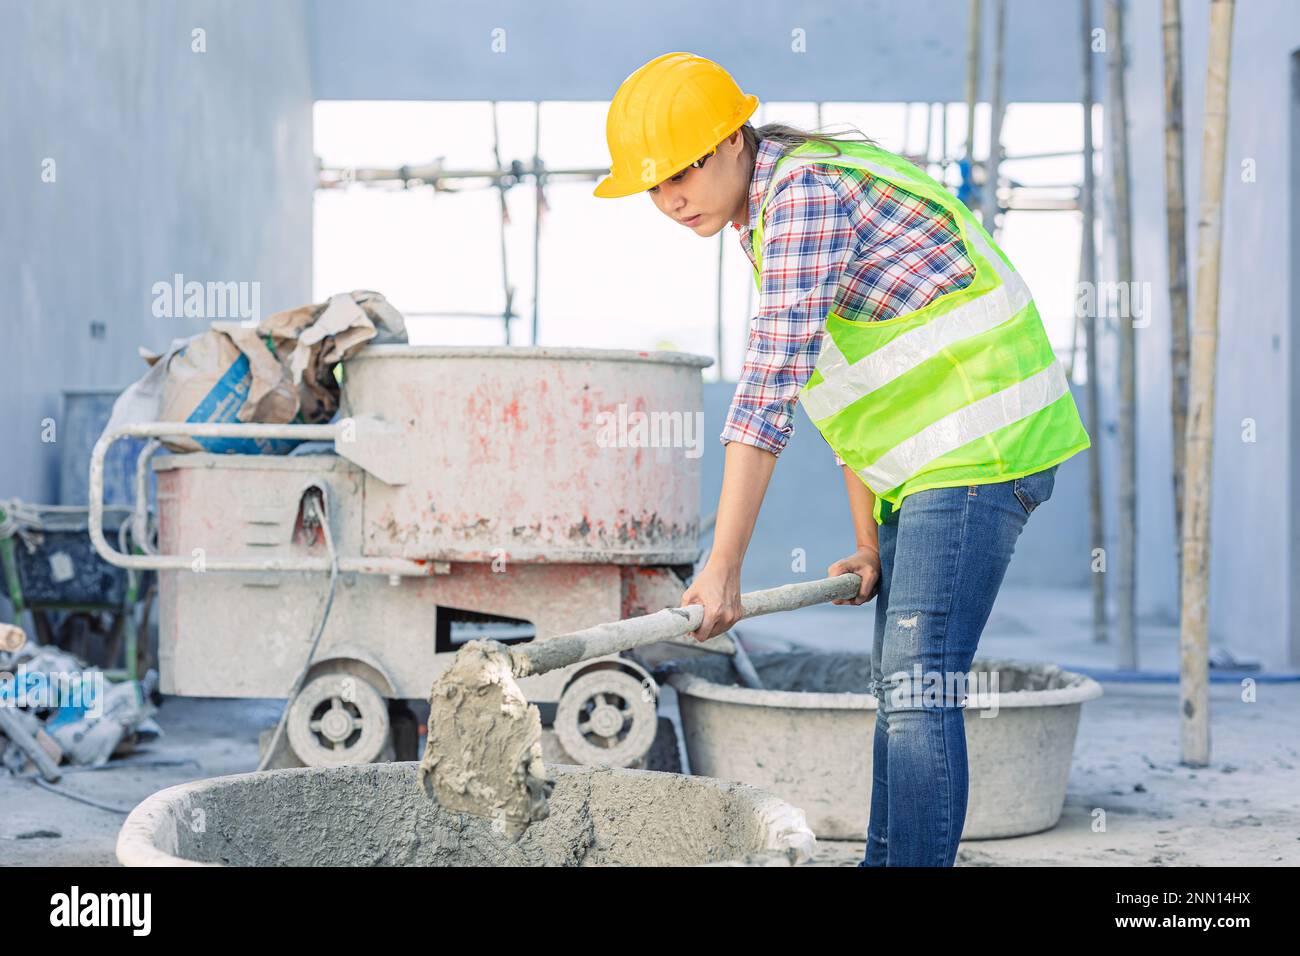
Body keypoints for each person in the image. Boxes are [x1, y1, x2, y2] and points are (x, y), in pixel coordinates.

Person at [594, 51, 1091, 867]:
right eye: (649, 186)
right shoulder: (764, 215)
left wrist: (723, 569)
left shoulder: (804, 197)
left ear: (730, 141)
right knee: (902, 693)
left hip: (981, 449)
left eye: (679, 171)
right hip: (927, 466)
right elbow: (852, 389)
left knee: (919, 685)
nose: (668, 199)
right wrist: (866, 540)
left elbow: (768, 394)